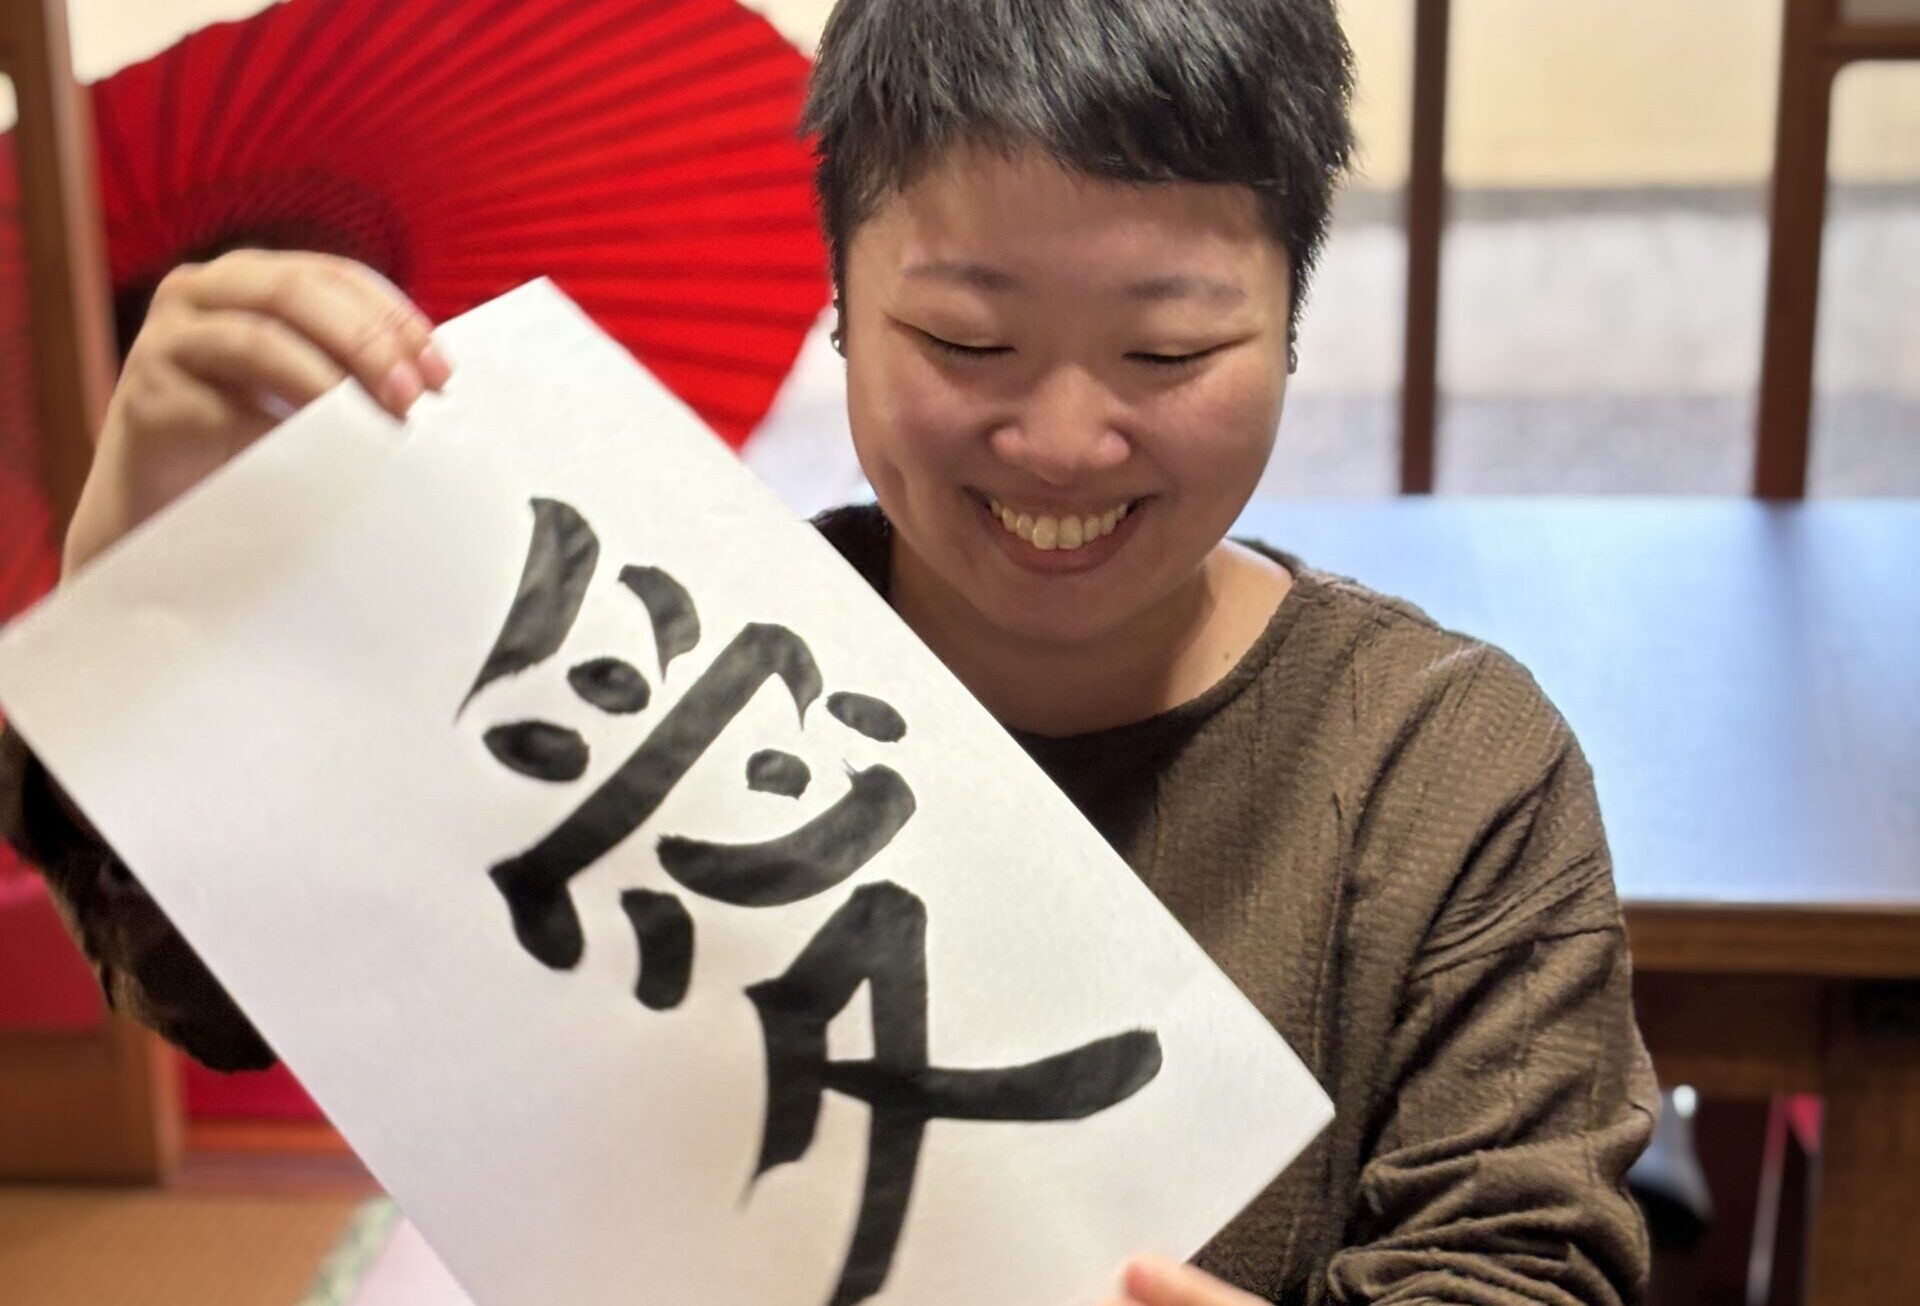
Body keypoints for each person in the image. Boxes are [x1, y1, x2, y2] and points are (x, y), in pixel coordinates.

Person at [0, 0, 1658, 1301]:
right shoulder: (653, 660)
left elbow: (1522, 1259)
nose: (1065, 438)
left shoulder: (1444, 773)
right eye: (966, 337)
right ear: (842, 305)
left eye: (1167, 345)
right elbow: (220, 988)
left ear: (1290, 317)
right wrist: (144, 576)